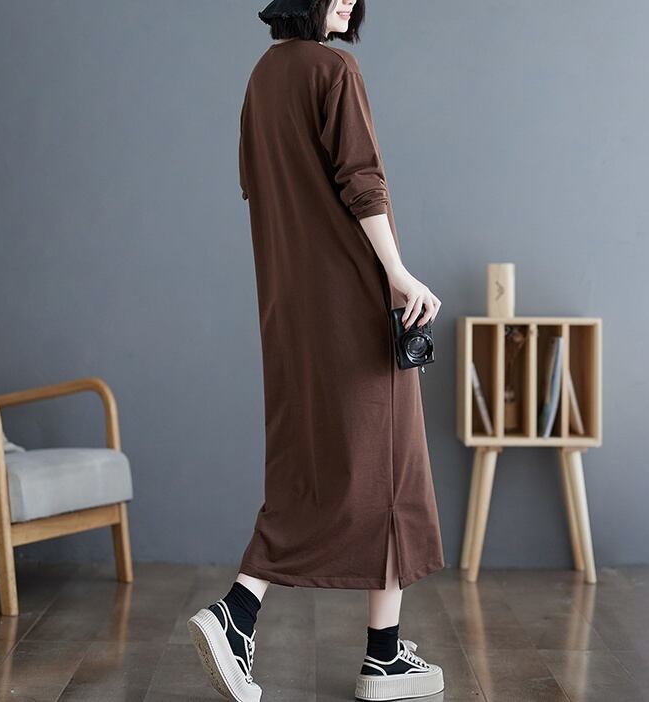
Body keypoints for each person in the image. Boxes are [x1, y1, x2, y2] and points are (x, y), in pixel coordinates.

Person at [188, 1, 445, 699]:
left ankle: (369, 650)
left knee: (313, 462)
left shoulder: (263, 76)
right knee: (391, 470)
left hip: (290, 306)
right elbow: (362, 179)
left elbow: (258, 189)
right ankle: (247, 616)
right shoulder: (334, 69)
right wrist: (397, 273)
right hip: (352, 301)